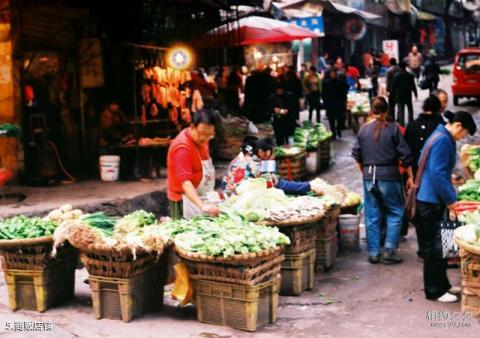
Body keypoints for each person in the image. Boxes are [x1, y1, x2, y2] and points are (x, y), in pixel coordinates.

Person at [415, 111, 477, 302]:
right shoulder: (443, 139)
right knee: (434, 248)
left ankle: (443, 286)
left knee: (440, 245)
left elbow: (427, 165)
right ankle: (435, 290)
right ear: (458, 126)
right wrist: (451, 201)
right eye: (464, 134)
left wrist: (447, 179)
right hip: (431, 200)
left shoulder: (438, 134)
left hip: (428, 198)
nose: (462, 138)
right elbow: (436, 173)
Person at [352, 97, 414, 265]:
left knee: (372, 214)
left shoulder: (363, 130)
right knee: (395, 212)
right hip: (389, 176)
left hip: (369, 176)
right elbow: (406, 156)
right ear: (387, 111)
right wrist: (410, 177)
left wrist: (364, 172)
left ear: (371, 111)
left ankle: (373, 252)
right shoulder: (393, 129)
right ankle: (389, 250)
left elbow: (356, 155)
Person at [222, 137, 323, 196]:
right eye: (271, 152)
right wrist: (308, 186)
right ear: (261, 151)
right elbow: (279, 184)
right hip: (237, 198)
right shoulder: (256, 165)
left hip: (228, 193)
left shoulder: (241, 157)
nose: (274, 156)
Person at [167, 110, 219, 219]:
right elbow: (186, 184)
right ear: (192, 127)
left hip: (199, 195)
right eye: (202, 133)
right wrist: (202, 205)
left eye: (209, 135)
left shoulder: (203, 140)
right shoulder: (182, 148)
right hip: (183, 200)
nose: (204, 138)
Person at [405, 96, 444, 176]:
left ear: (423, 108)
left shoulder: (412, 125)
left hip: (413, 171)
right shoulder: (442, 127)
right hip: (434, 171)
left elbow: (406, 150)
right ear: (439, 109)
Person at [322, 68, 349, 139]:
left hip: (338, 104)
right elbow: (323, 94)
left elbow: (345, 90)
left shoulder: (340, 83)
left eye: (334, 74)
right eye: (331, 74)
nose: (332, 75)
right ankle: (333, 133)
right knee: (331, 119)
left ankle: (338, 129)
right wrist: (326, 102)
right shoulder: (326, 83)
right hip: (330, 104)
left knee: (339, 118)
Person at [269, 81, 295, 146]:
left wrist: (288, 110)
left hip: (288, 119)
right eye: (278, 90)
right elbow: (269, 107)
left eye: (281, 90)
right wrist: (274, 109)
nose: (280, 92)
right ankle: (280, 147)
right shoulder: (272, 97)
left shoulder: (290, 95)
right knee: (279, 137)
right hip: (277, 120)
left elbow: (294, 106)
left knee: (289, 136)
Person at [391, 62, 418, 126]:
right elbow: (413, 85)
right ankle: (411, 122)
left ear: (399, 67)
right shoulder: (409, 75)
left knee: (401, 110)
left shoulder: (396, 75)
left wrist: (393, 95)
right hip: (408, 94)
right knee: (410, 109)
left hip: (399, 95)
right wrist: (415, 93)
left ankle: (401, 124)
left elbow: (393, 86)